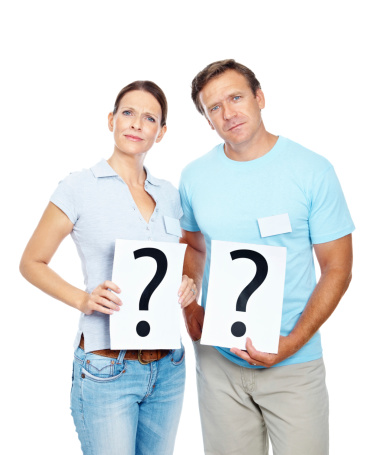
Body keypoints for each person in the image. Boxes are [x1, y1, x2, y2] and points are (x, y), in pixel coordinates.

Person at [179, 59, 354, 455]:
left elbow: (338, 268)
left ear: (259, 98)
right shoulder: (194, 176)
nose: (228, 113)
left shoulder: (312, 170)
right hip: (219, 365)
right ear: (207, 120)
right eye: (214, 108)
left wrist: (291, 343)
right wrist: (191, 313)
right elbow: (192, 245)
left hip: (293, 364)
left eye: (236, 97)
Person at [19, 80, 197, 455]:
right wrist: (83, 299)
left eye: (149, 118)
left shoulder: (169, 194)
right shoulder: (79, 187)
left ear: (161, 133)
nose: (136, 124)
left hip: (168, 365)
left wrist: (188, 283)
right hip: (106, 367)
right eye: (128, 113)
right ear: (111, 120)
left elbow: (178, 261)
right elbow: (32, 262)